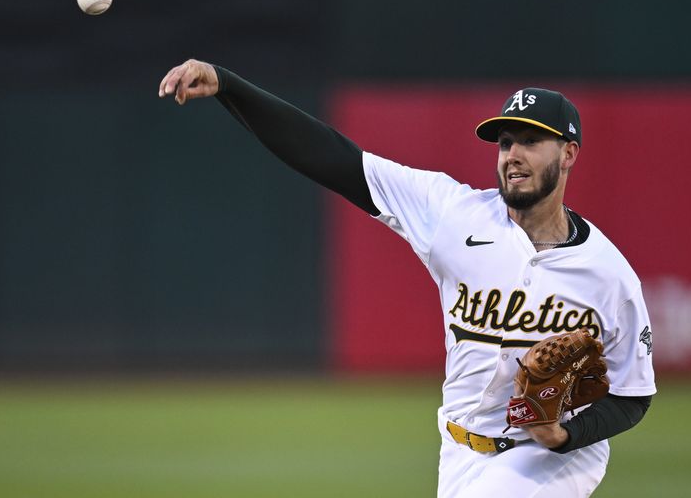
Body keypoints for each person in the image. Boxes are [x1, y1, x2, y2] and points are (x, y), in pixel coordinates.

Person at [159, 59, 656, 497]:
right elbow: (331, 157)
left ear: (568, 154)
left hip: (551, 461)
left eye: (531, 141)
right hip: (459, 449)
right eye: (505, 143)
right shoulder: (453, 214)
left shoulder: (608, 274)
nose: (512, 155)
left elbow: (633, 396)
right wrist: (229, 86)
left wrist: (567, 436)